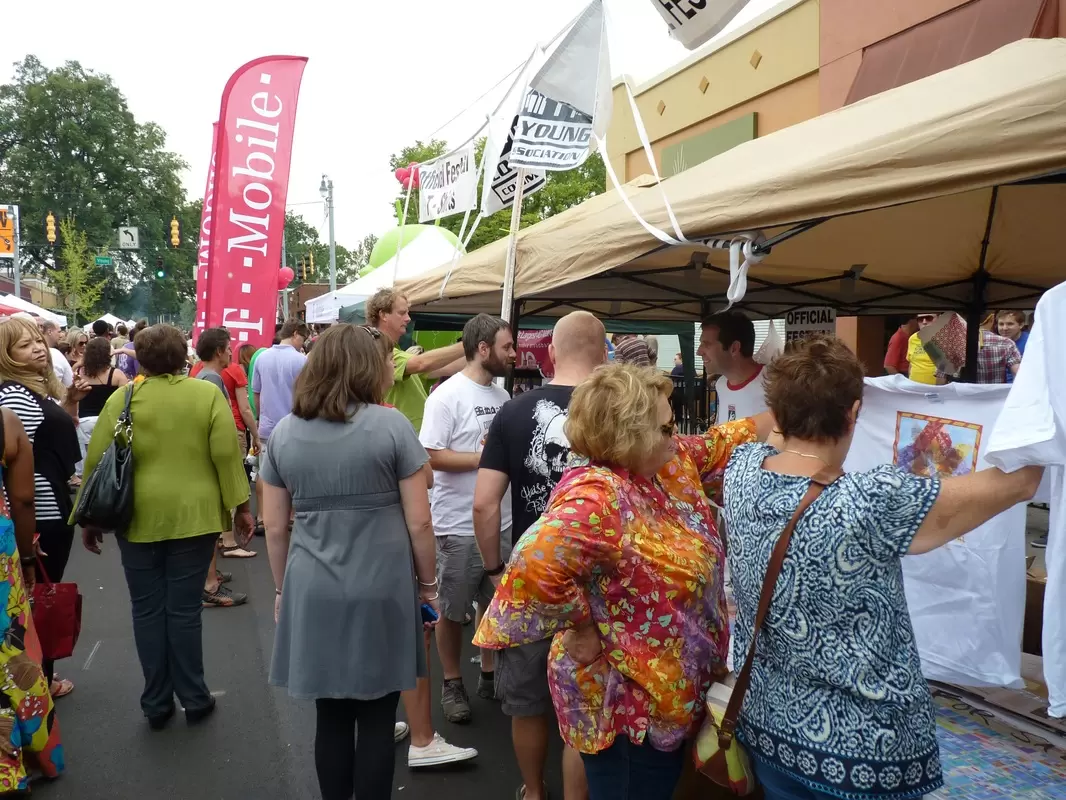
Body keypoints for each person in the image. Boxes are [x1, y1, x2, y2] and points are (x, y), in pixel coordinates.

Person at [722, 335, 1043, 798]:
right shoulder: (872, 500)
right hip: (865, 750)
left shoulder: (742, 471)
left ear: (779, 408)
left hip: (769, 727)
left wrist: (798, 401)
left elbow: (771, 435)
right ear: (855, 413)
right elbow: (1020, 482)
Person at [475, 363, 776, 800]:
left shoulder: (667, 465)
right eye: (665, 426)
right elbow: (535, 562)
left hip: (669, 699)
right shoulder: (599, 495)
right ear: (629, 436)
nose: (675, 434)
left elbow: (724, 440)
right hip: (628, 713)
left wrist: (800, 408)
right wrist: (579, 626)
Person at [262, 324, 440, 799]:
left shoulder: (284, 433)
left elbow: (275, 528)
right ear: (366, 367)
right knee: (379, 719)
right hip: (383, 586)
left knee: (331, 717)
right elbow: (420, 523)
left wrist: (282, 589)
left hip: (312, 584)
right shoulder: (391, 426)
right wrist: (428, 587)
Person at [78, 324, 252, 729]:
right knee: (185, 610)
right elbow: (227, 456)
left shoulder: (124, 398)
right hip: (195, 518)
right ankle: (194, 695)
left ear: (140, 359)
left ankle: (156, 700)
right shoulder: (206, 394)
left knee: (147, 609)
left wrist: (88, 520)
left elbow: (97, 460)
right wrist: (241, 508)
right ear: (182, 357)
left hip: (135, 517)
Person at [473, 311, 604, 800]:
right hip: (601, 583)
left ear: (549, 354)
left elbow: (485, 503)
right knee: (585, 706)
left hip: (534, 579)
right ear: (603, 352)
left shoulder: (512, 411)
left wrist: (494, 570)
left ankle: (533, 791)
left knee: (527, 701)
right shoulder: (617, 412)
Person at [419, 314, 515, 725]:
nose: (514, 353)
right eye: (507, 346)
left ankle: (489, 675)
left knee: (495, 605)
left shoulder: (504, 396)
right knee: (451, 611)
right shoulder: (446, 396)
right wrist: (487, 459)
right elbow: (431, 457)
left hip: (502, 522)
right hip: (457, 525)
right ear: (482, 348)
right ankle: (452, 682)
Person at [0, 317, 83, 698]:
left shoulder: (33, 389)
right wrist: (27, 534)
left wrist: (69, 403)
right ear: (6, 356)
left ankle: (38, 680)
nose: (37, 348)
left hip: (49, 507)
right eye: (24, 345)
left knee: (37, 600)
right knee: (36, 601)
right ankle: (35, 685)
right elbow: (20, 470)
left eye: (37, 340)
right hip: (41, 514)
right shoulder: (14, 395)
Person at [0, 406, 64, 787]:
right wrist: (26, 558)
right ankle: (20, 756)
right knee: (11, 649)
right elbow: (23, 499)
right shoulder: (6, 422)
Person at [195, 328, 255, 603]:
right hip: (212, 461)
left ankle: (211, 576)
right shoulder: (210, 379)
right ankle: (210, 585)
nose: (232, 352)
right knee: (211, 523)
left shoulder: (207, 376)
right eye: (228, 348)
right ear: (219, 351)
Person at [366, 288, 465, 433]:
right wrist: (469, 343)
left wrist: (481, 353)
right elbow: (421, 363)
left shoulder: (397, 353)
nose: (408, 318)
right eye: (401, 313)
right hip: (399, 439)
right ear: (383, 315)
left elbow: (447, 367)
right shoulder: (378, 350)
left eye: (407, 312)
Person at [74, 337, 128, 480]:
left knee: (87, 463)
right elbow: (125, 402)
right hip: (108, 422)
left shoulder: (80, 372)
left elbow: (72, 396)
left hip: (84, 422)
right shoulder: (116, 374)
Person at [699, 311, 767, 424]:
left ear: (734, 348)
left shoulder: (776, 383)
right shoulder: (721, 384)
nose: (699, 352)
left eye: (706, 344)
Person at [996, 309, 1029, 383]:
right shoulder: (994, 342)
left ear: (1021, 325)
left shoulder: (1030, 343)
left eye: (1010, 324)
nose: (1004, 328)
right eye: (1001, 324)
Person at [38, 320, 73, 388]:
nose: (60, 335)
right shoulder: (55, 354)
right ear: (49, 332)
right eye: (59, 332)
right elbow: (70, 383)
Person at [906, 313, 938, 385]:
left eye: (929, 318)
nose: (924, 322)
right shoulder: (912, 338)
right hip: (914, 387)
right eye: (920, 319)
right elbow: (911, 363)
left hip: (934, 389)